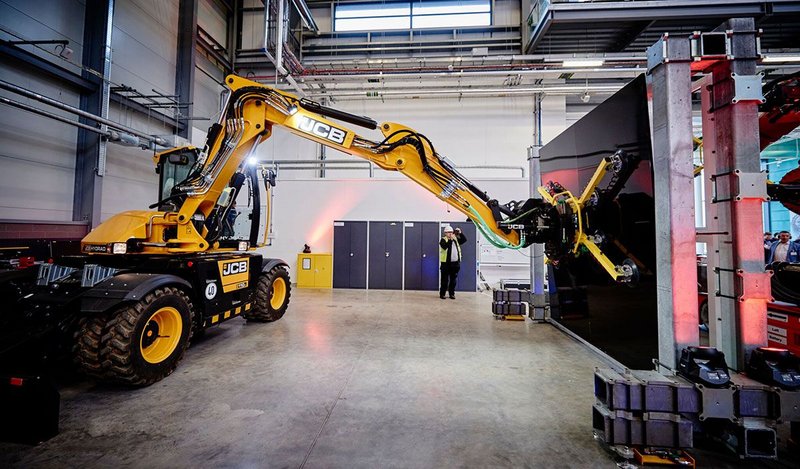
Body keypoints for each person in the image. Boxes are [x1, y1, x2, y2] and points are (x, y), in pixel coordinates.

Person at [439, 225, 466, 299]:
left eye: (451, 232)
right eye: (448, 232)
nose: (450, 234)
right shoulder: (443, 240)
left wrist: (460, 233)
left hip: (455, 264)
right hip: (446, 264)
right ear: (445, 233)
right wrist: (450, 240)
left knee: (453, 280)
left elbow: (464, 240)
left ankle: (452, 294)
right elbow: (445, 247)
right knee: (444, 280)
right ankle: (442, 294)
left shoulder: (455, 239)